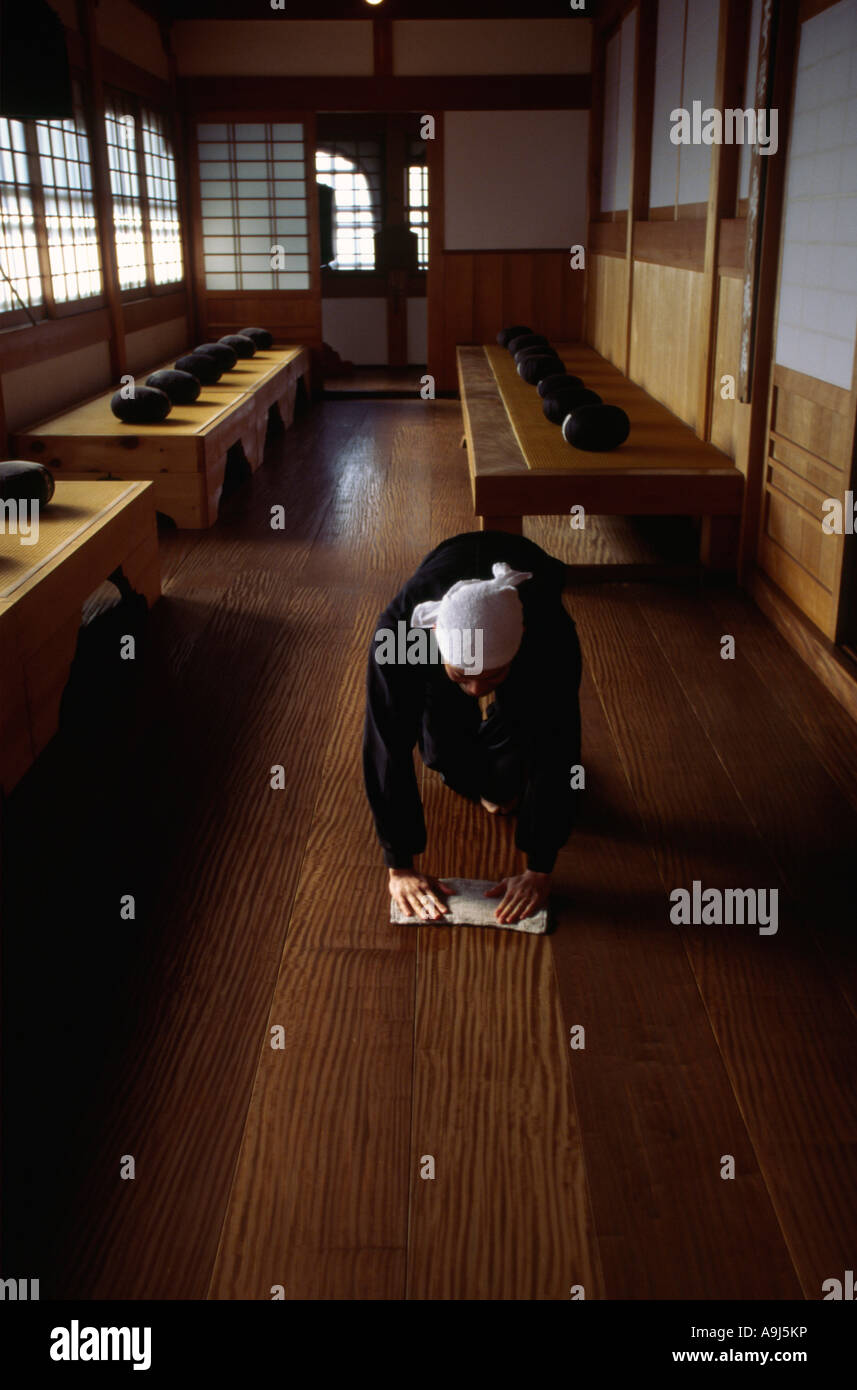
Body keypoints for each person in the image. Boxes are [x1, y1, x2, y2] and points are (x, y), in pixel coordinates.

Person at [363, 530, 583, 925]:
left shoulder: (550, 636)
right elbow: (386, 744)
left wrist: (539, 868)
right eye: (464, 676)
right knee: (442, 755)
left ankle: (502, 715)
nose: (477, 691)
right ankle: (461, 694)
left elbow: (560, 746)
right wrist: (400, 866)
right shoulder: (400, 636)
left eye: (492, 677)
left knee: (508, 780)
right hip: (446, 570)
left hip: (525, 581)